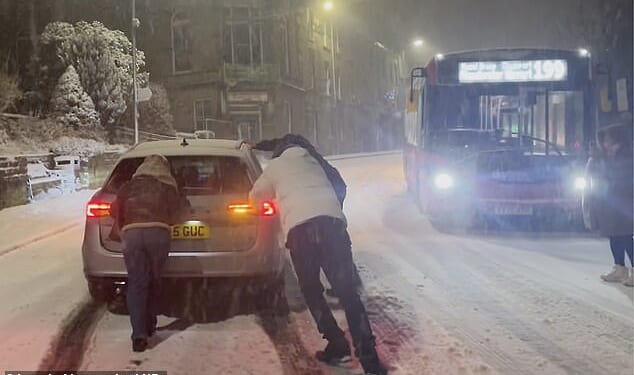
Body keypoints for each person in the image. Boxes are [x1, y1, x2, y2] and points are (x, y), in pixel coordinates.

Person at [249, 143, 387, 375]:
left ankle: (337, 344)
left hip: (301, 232)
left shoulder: (275, 167)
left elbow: (255, 197)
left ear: (279, 153)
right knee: (347, 293)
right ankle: (369, 359)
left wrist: (271, 204)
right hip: (333, 227)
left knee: (312, 290)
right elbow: (338, 185)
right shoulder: (313, 162)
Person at [111, 154, 182, 352]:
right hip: (158, 233)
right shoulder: (167, 186)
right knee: (154, 280)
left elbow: (112, 209)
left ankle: (139, 334)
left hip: (131, 235)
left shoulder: (127, 187)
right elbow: (177, 214)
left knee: (137, 283)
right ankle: (150, 323)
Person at [590, 124, 634, 286]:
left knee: (625, 236)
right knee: (614, 235)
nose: (605, 141)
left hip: (624, 201)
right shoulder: (607, 155)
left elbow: (621, 176)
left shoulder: (626, 154)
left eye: (607, 137)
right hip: (610, 201)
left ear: (617, 138)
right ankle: (619, 267)